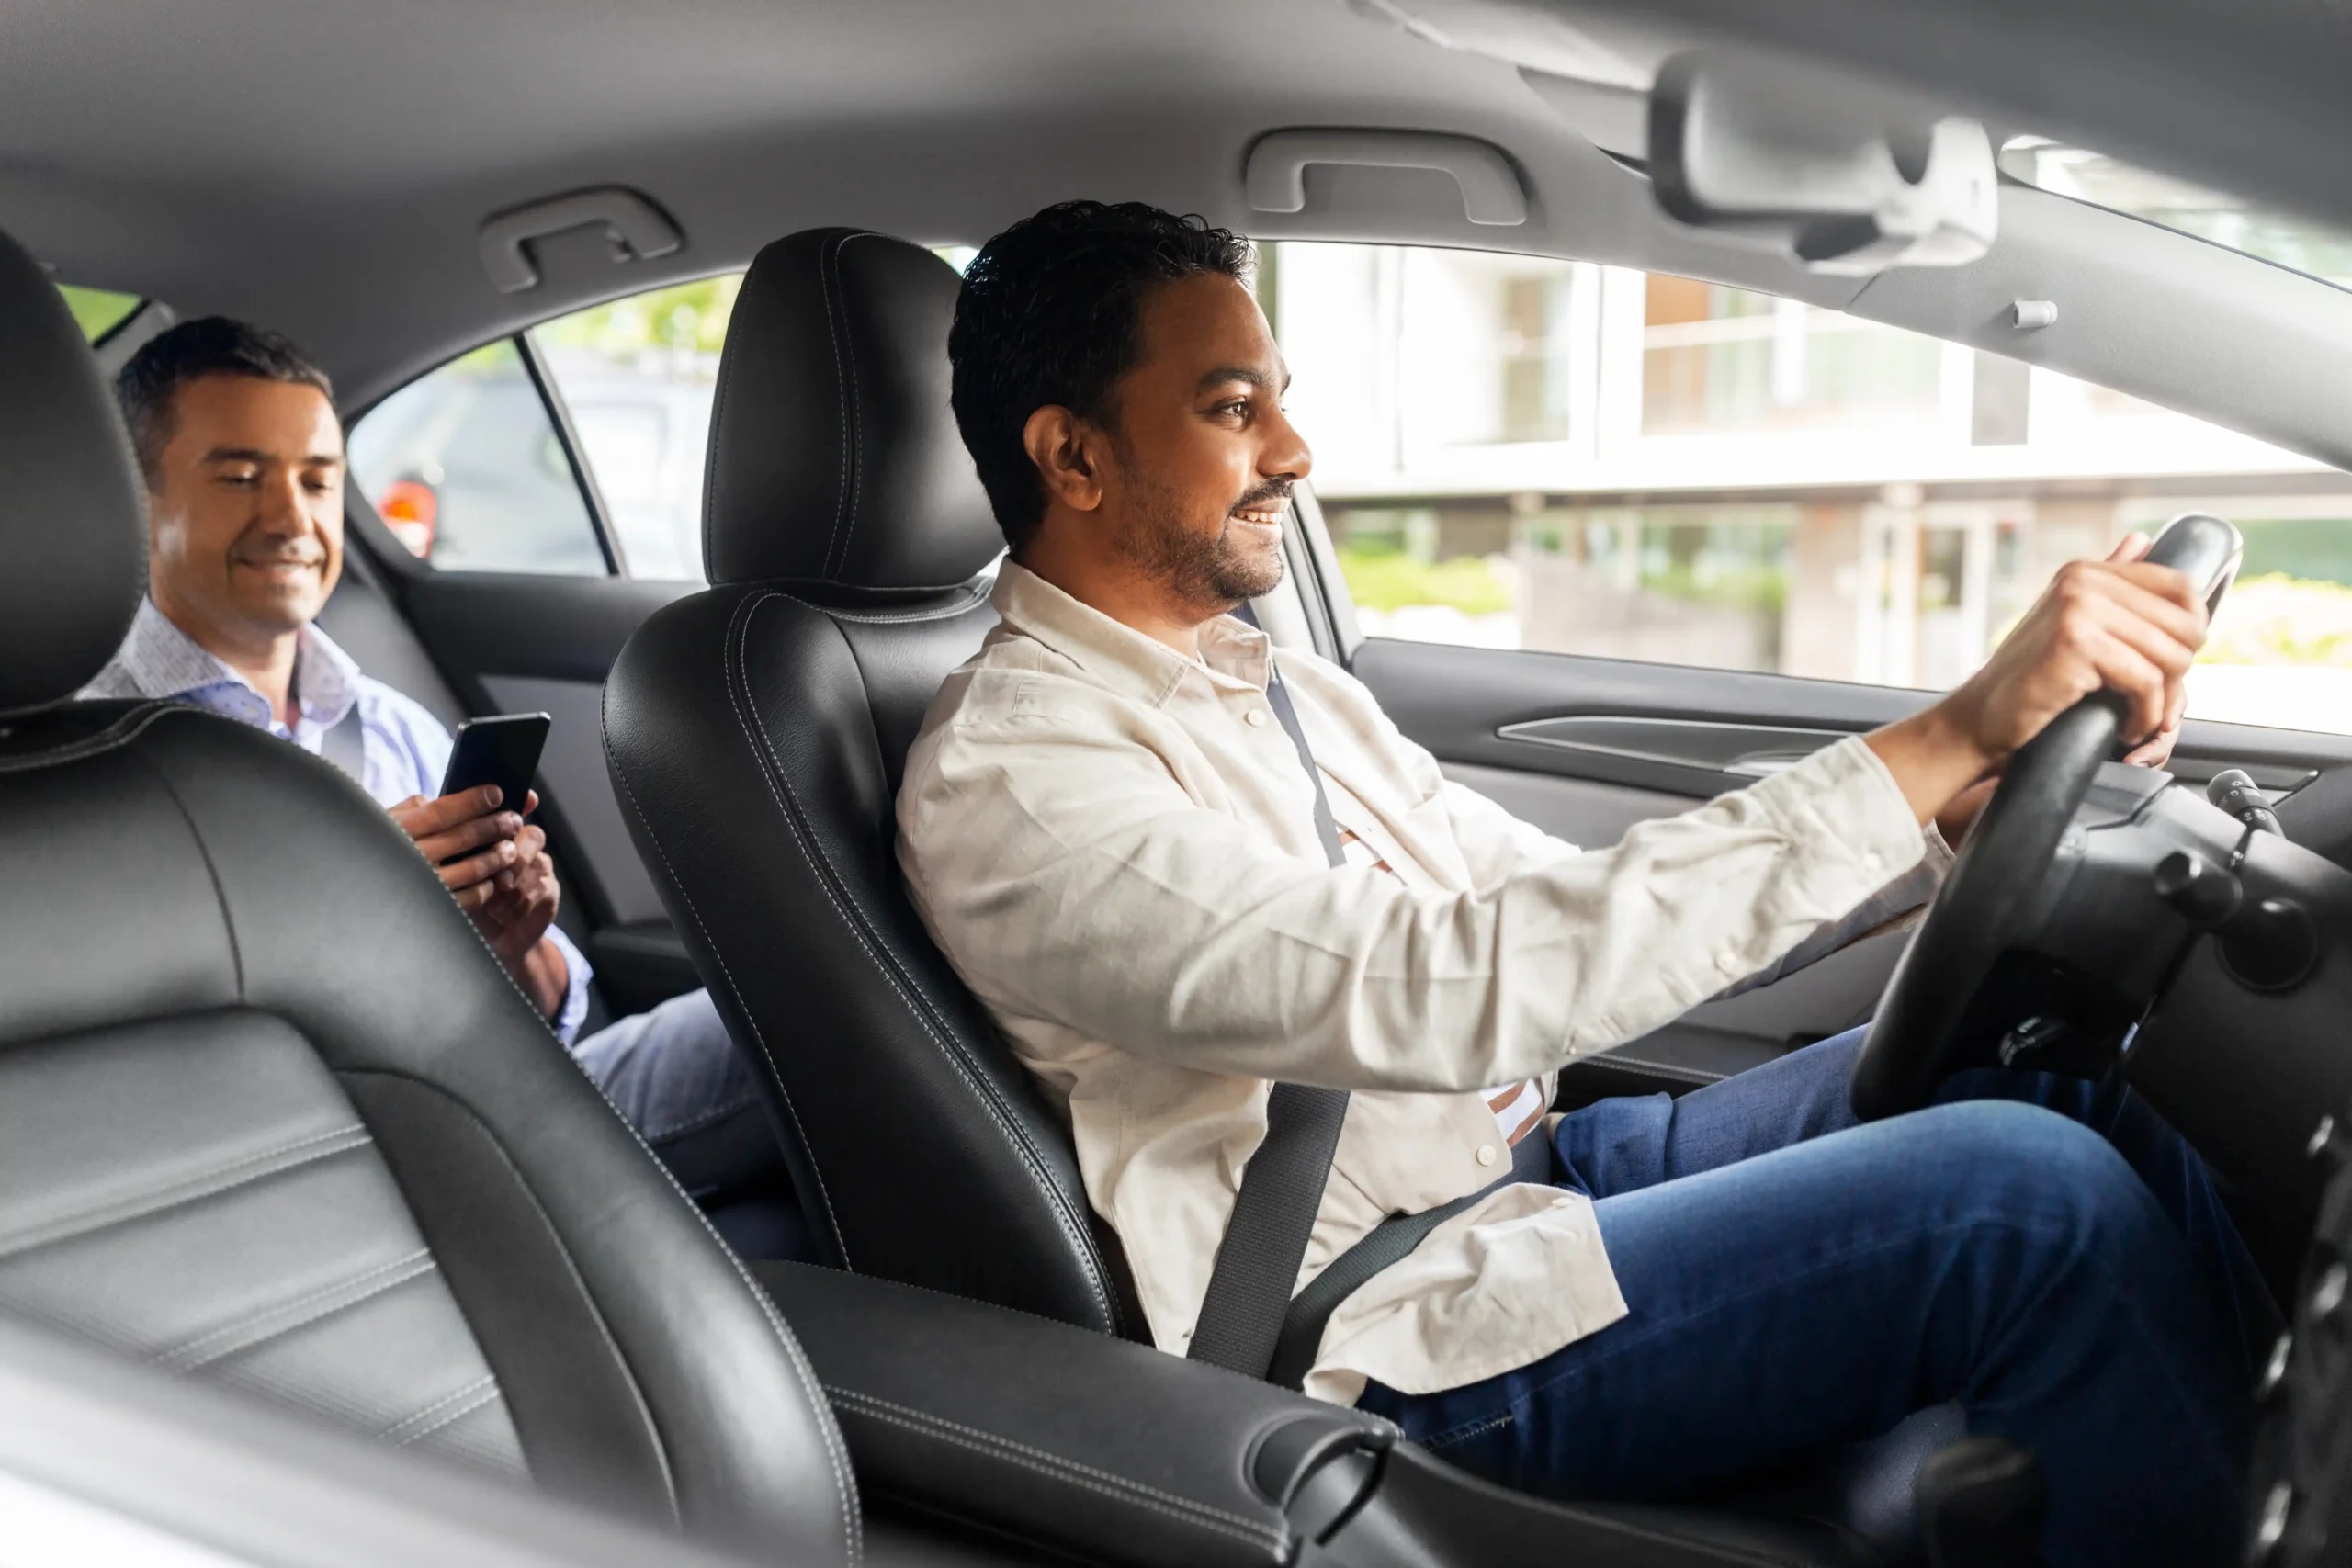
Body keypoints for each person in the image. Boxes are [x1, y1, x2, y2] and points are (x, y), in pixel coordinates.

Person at [898, 200, 2274, 1567]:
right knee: (2022, 1198)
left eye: (1280, 400)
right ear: (1074, 455)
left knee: (2064, 1071)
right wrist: (1941, 730)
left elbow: (1561, 897)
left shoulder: (1277, 684)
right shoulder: (1018, 777)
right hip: (1393, 1315)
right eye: (1231, 408)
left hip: (1542, 1172)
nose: (1296, 451)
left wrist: (1942, 814)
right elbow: (1452, 982)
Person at [81, 318, 781, 1211]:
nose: (292, 517)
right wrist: (373, 916)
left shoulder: (387, 721)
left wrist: (514, 947)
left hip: (507, 1097)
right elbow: (153, 1074)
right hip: (332, 1166)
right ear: (142, 499)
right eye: (241, 476)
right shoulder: (88, 754)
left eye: (318, 480)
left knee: (812, 1011)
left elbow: (553, 1012)